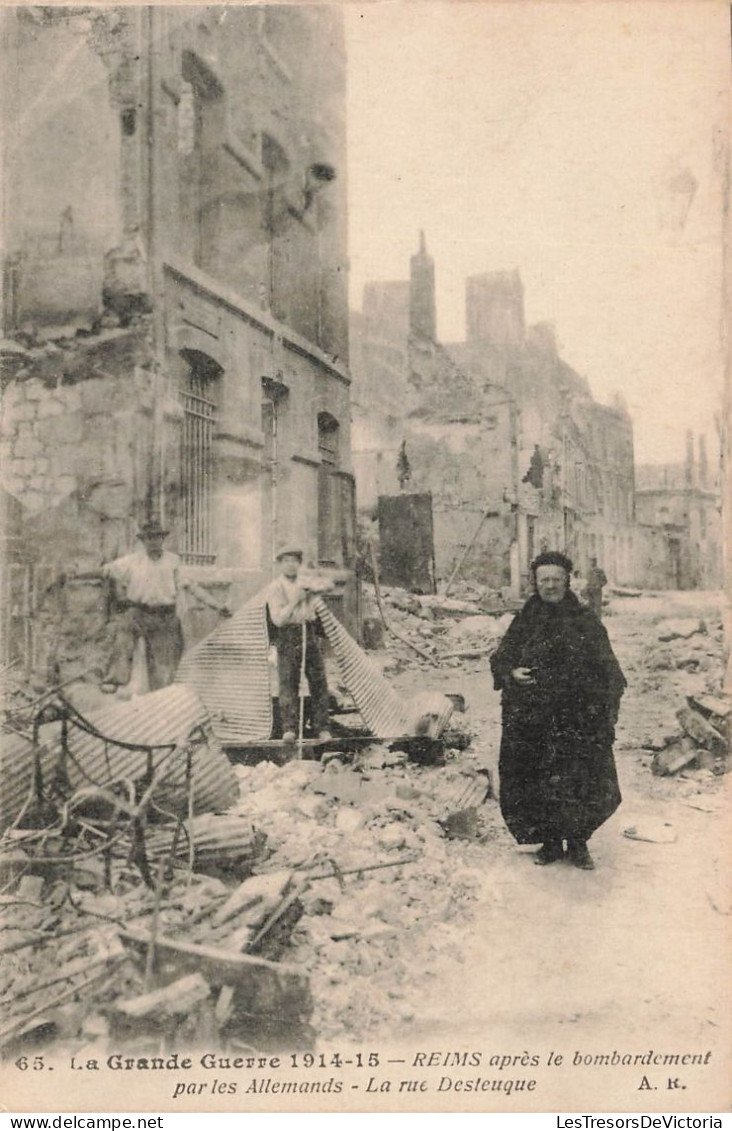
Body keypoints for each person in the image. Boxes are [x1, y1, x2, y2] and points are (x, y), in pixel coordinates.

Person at [490, 550, 626, 870]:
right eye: (543, 580)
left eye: (555, 579)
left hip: (577, 720)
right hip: (533, 720)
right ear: (535, 583)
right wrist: (511, 673)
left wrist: (602, 710)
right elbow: (501, 657)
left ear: (567, 580)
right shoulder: (525, 620)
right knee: (537, 777)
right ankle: (550, 843)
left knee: (579, 778)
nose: (549, 585)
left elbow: (610, 671)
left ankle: (578, 844)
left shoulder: (584, 621)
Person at [100, 519, 231, 693]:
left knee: (166, 668)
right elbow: (106, 570)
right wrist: (76, 571)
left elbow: (191, 586)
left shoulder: (173, 561)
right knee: (123, 631)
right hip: (138, 612)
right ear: (143, 541)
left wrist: (217, 605)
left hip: (165, 616)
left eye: (156, 538)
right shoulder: (132, 561)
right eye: (149, 538)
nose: (153, 542)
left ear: (162, 540)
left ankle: (161, 694)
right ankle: (115, 679)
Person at [266, 545, 331, 744]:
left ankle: (322, 728)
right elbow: (278, 620)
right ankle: (290, 729)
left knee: (318, 680)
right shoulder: (275, 587)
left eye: (294, 561)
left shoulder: (305, 581)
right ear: (280, 564)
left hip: (308, 631)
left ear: (299, 564)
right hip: (288, 635)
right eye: (286, 561)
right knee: (288, 681)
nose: (291, 565)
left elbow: (329, 585)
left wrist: (313, 590)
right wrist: (295, 601)